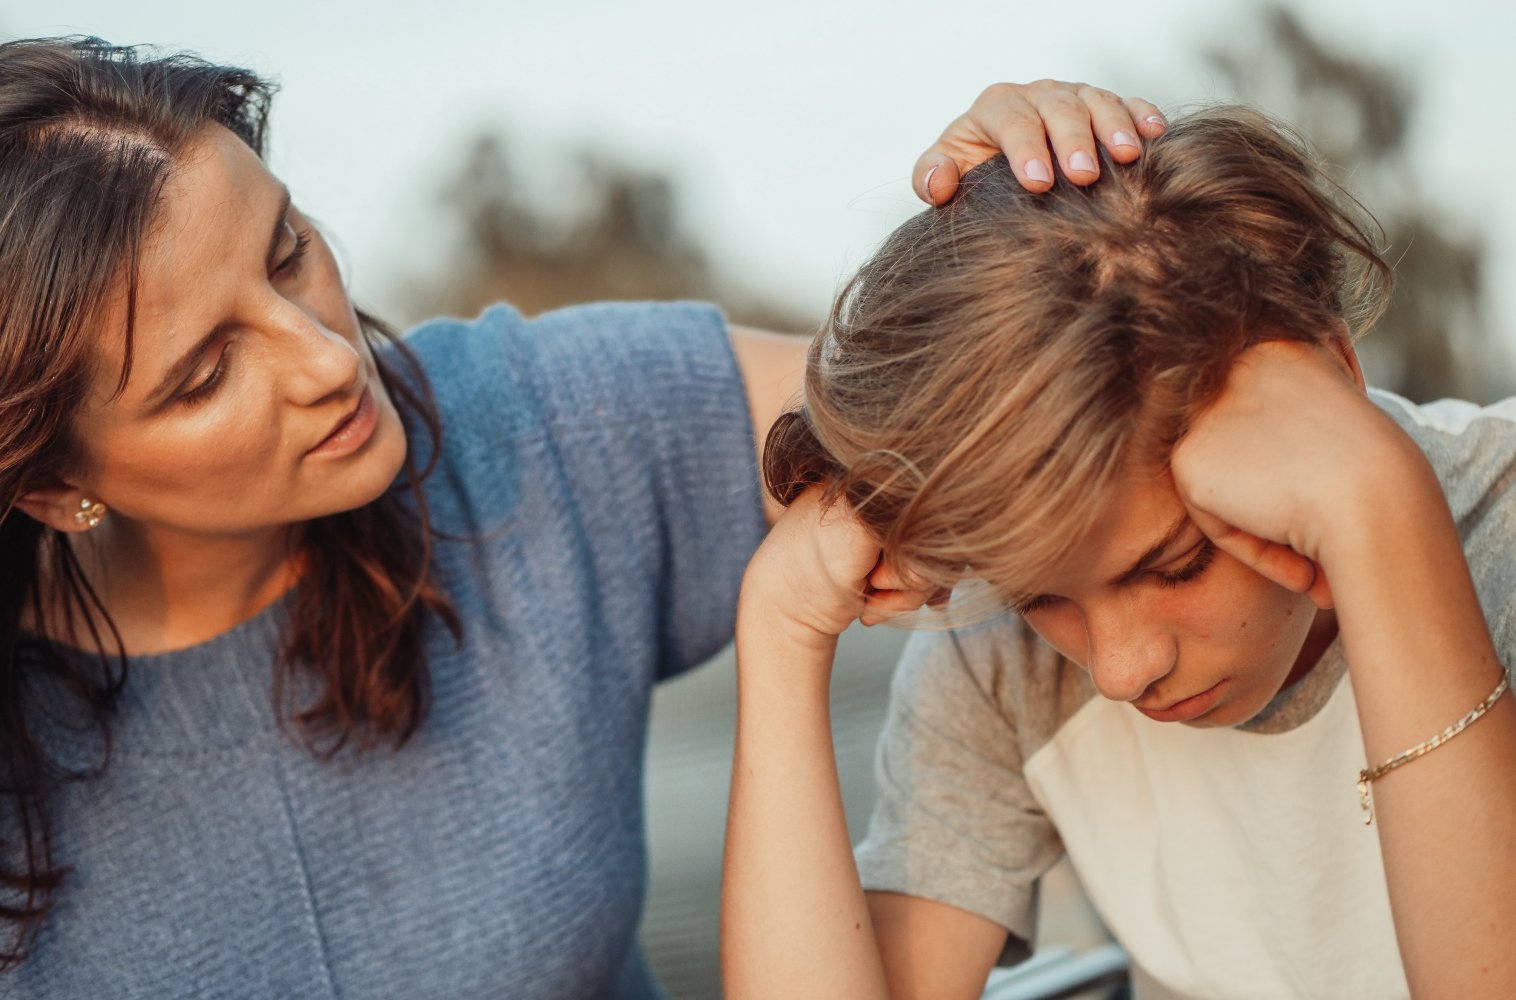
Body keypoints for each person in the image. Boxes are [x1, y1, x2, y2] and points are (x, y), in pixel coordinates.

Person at [0, 35, 1165, 998]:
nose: (324, 358)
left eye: (289, 252)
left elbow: (1008, 397)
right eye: (206, 373)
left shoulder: (538, 425)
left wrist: (1048, 230)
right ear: (55, 485)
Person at [722, 105, 1516, 999]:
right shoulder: (1001, 664)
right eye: (1039, 598)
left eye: (1175, 565)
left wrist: (1380, 513)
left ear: (1331, 376)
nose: (1120, 669)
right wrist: (780, 632)